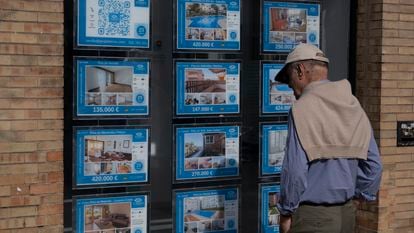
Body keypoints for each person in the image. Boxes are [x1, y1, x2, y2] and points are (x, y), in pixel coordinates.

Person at [274, 43, 383, 233]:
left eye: (289, 79)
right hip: (347, 215)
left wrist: (285, 212)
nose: (290, 87)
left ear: (300, 70)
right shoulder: (353, 105)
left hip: (312, 217)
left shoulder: (302, 108)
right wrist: (359, 196)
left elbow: (295, 171)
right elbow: (374, 165)